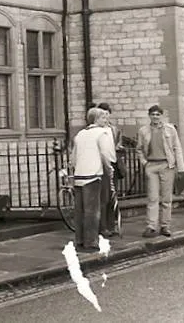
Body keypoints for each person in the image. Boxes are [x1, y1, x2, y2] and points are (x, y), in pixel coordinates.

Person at [70, 107, 116, 253]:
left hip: (79, 176)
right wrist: (109, 167)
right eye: (103, 118)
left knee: (80, 210)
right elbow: (107, 154)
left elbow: (73, 157)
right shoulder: (102, 133)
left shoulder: (80, 134)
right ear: (96, 119)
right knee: (92, 211)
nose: (106, 120)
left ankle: (79, 240)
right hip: (93, 175)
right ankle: (91, 242)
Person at [136, 105, 184, 237]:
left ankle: (165, 226)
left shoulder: (170, 129)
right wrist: (144, 163)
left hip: (166, 165)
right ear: (149, 116)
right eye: (153, 114)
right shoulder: (143, 131)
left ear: (162, 116)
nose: (155, 117)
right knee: (152, 197)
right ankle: (151, 226)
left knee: (166, 198)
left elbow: (177, 148)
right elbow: (139, 149)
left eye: (158, 114)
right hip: (151, 166)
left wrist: (181, 169)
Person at [96, 102, 123, 237]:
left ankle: (112, 225)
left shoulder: (114, 129)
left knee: (113, 196)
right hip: (100, 167)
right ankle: (103, 226)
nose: (105, 117)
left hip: (112, 164)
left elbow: (118, 143)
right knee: (103, 197)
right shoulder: (96, 130)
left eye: (107, 114)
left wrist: (118, 148)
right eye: (102, 114)